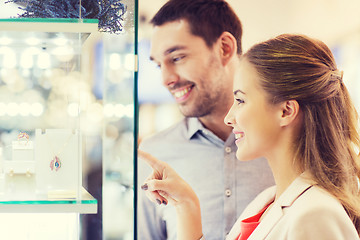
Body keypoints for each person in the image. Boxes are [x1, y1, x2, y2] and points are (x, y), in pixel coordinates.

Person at [139, 33, 360, 240]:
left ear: (286, 111)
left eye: (241, 101)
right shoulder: (265, 202)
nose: (229, 117)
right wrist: (186, 205)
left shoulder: (316, 214)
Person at [138, 0, 274, 239]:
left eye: (177, 58)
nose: (166, 79)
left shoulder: (287, 140)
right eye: (159, 64)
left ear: (224, 48)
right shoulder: (154, 155)